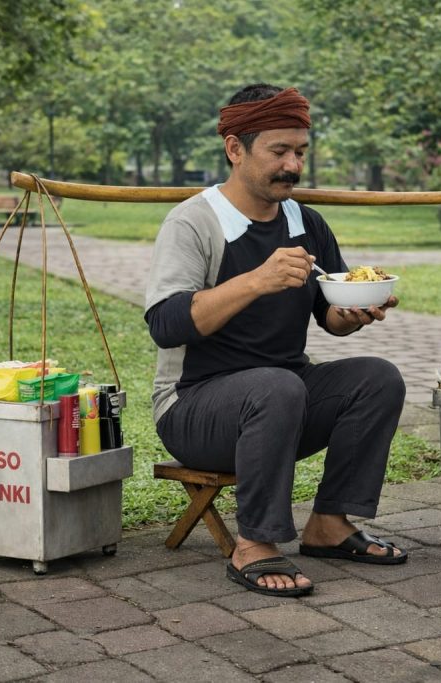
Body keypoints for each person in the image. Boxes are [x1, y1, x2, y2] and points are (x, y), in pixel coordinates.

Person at [144, 83, 406, 598]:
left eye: (301, 152)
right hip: (194, 406)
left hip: (280, 399)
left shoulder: (304, 221)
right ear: (235, 149)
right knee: (276, 385)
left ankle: (329, 524)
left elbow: (328, 315)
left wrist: (355, 313)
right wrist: (257, 280)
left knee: (378, 378)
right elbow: (165, 323)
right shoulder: (194, 222)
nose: (293, 165)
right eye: (279, 151)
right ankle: (255, 544)